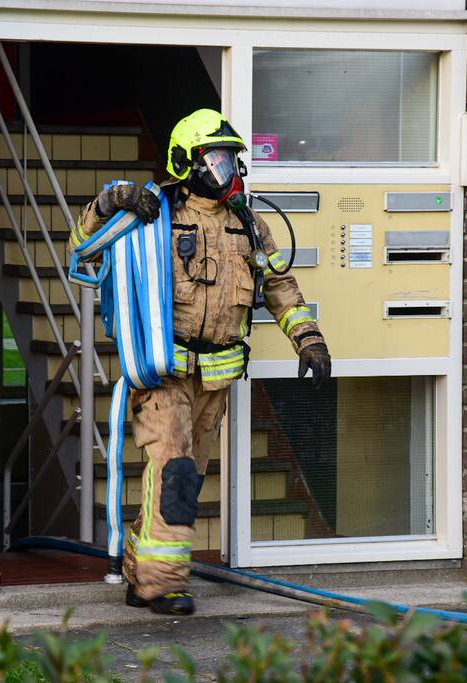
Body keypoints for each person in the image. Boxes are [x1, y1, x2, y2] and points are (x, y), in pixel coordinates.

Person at [71, 109, 331, 615]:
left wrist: (309, 340)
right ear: (184, 162)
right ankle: (163, 585)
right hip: (163, 374)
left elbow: (278, 285)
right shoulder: (154, 214)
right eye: (213, 158)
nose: (224, 168)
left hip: (215, 382)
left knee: (180, 480)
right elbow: (84, 247)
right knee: (177, 476)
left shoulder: (248, 224)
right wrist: (107, 204)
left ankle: (139, 572)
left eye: (230, 158)